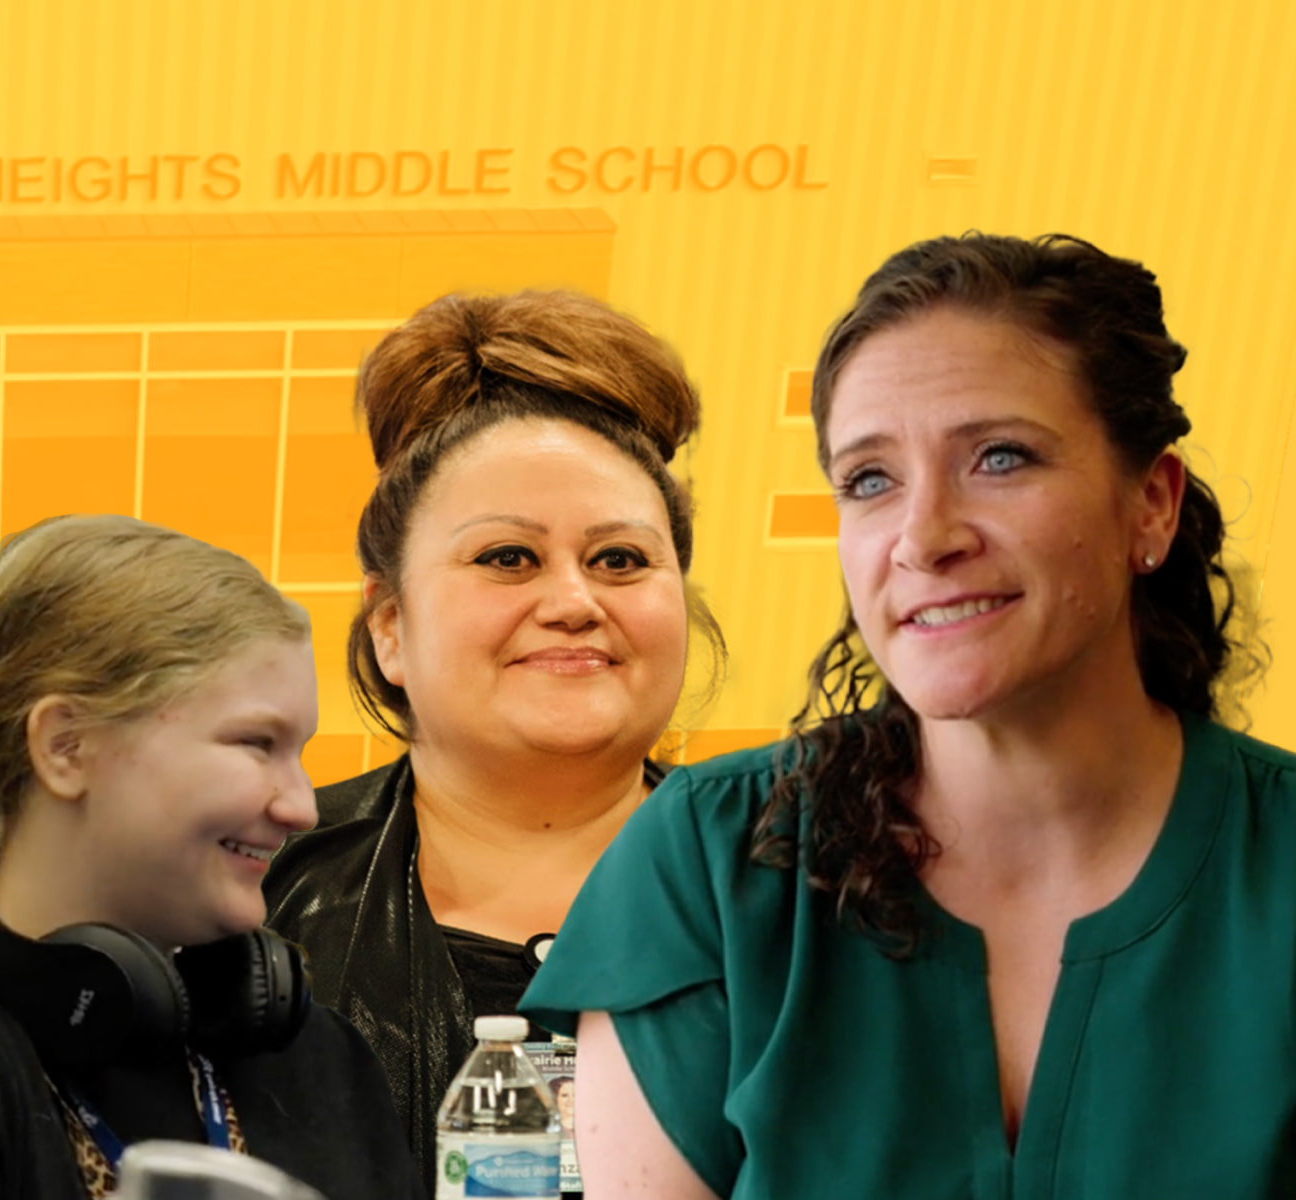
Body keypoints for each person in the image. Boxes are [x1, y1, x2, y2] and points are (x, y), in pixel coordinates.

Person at [523, 233, 1296, 1199]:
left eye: (1000, 457)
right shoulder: (709, 865)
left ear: (1151, 503)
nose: (923, 538)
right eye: (871, 481)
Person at [0, 515, 421, 1200]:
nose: (301, 808)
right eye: (256, 743)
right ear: (66, 746)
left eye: (299, 751)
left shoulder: (319, 1061)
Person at [261, 289, 718, 1179]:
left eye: (619, 560)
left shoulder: (799, 909)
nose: (574, 604)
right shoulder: (249, 900)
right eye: (507, 558)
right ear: (389, 624)